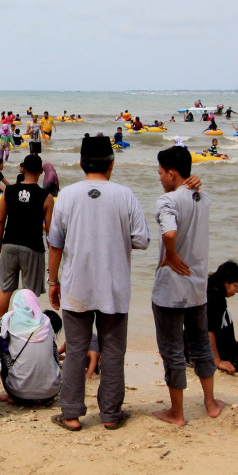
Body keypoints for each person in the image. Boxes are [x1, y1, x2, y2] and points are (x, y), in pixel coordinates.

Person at [47, 135, 151, 431]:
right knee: (114, 351)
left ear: (81, 163)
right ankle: (109, 415)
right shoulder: (125, 195)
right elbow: (142, 240)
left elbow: (55, 245)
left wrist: (53, 281)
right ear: (111, 164)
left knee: (77, 350)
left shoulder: (66, 195)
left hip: (77, 285)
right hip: (114, 286)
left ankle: (71, 415)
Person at [150, 146, 222, 426]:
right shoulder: (204, 197)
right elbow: (195, 193)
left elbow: (169, 232)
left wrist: (170, 254)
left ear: (171, 173)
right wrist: (194, 183)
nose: (159, 179)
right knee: (201, 344)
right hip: (197, 287)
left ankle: (177, 412)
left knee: (172, 350)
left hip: (171, 289)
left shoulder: (167, 200)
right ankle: (211, 403)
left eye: (160, 173)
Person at [0, 154, 54, 317]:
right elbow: (49, 230)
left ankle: (0, 328)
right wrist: (51, 257)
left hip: (9, 244)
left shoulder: (9, 191)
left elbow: (0, 221)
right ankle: (25, 330)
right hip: (33, 247)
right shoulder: (47, 197)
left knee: (5, 289)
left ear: (23, 169)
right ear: (41, 171)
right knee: (29, 293)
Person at [0, 289, 61, 406]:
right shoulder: (46, 322)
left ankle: (12, 393)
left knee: (0, 345)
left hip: (19, 394)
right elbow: (54, 353)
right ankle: (47, 381)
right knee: (52, 347)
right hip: (51, 393)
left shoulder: (7, 320)